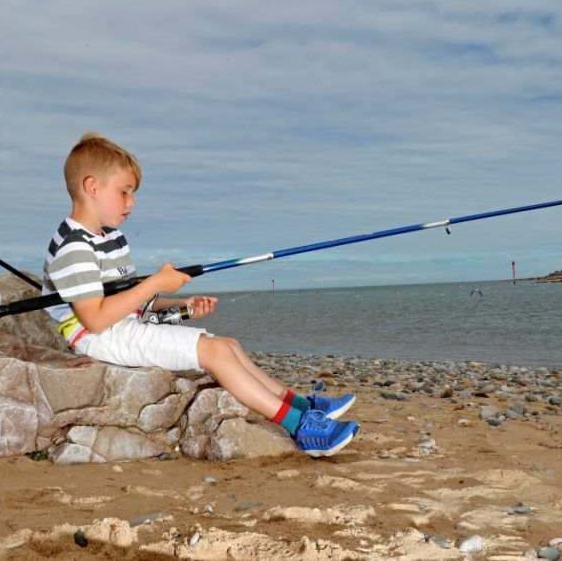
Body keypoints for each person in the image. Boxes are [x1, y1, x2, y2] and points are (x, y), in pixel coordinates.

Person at [42, 132, 358, 458]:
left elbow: (132, 300)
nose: (132, 202)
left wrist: (179, 306)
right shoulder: (73, 247)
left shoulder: (112, 238)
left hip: (118, 325)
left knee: (228, 345)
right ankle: (300, 427)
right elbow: (95, 319)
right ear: (92, 187)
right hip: (95, 335)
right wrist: (156, 282)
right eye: (124, 192)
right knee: (216, 354)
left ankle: (301, 404)